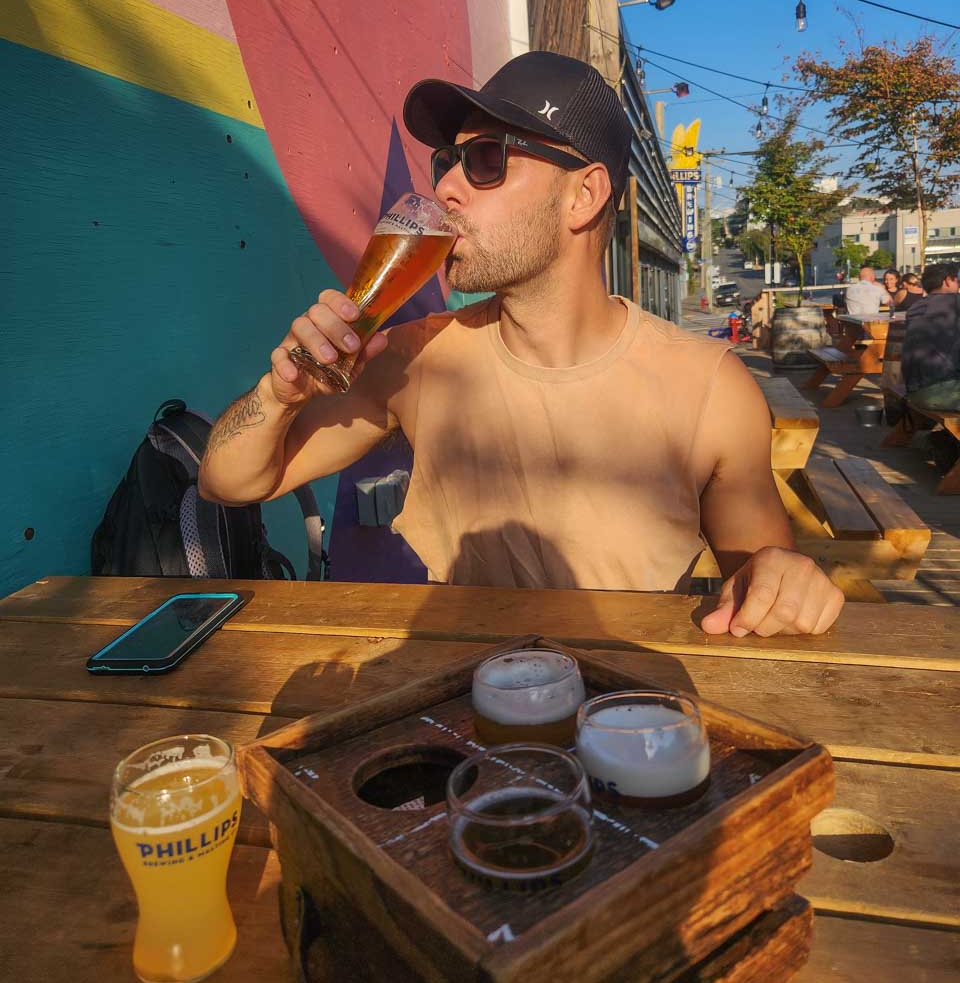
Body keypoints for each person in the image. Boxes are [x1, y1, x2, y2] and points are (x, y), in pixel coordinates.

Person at [198, 51, 844, 638]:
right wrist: (278, 396)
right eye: (446, 163)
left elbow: (761, 580)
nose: (446, 188)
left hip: (626, 716)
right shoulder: (413, 359)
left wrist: (785, 577)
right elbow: (228, 482)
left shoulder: (709, 386)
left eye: (485, 161)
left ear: (584, 195)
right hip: (465, 702)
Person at [901, 262, 960, 410]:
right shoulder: (955, 302)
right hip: (945, 392)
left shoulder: (915, 308)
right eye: (957, 280)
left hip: (915, 391)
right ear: (948, 280)